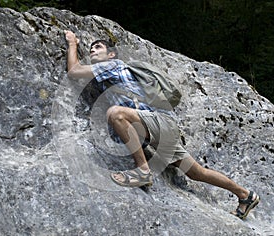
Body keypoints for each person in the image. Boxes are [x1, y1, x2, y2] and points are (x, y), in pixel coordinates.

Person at [64, 30, 260, 220]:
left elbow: (74, 71)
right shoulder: (109, 73)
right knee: (195, 172)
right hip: (161, 125)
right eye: (91, 48)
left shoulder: (112, 65)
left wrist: (73, 42)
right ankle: (245, 195)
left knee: (116, 114)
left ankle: (142, 170)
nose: (93, 51)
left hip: (158, 121)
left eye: (98, 47)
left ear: (111, 54)